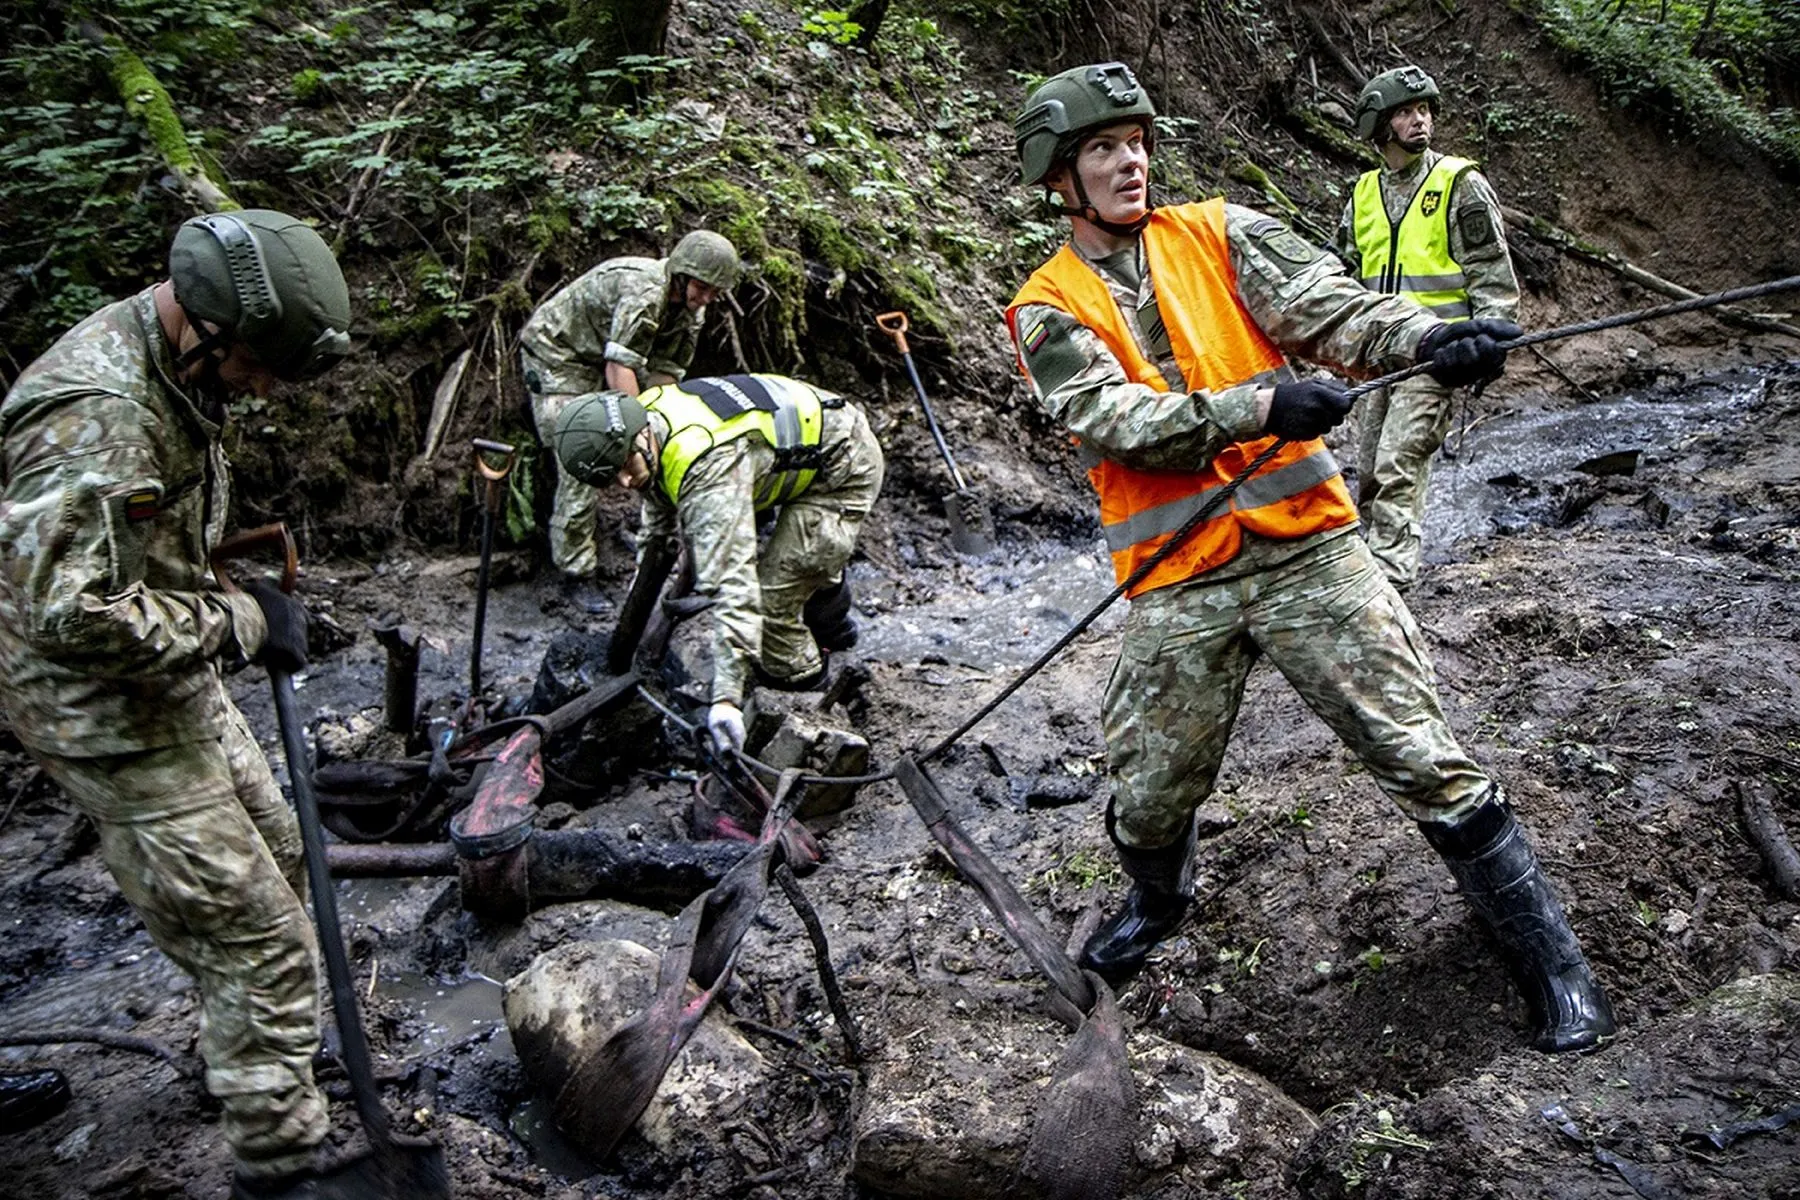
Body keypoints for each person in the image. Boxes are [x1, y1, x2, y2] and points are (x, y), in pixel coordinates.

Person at [1007, 63, 1612, 1052]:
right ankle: (1157, 905)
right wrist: (1259, 406)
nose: (1132, 162)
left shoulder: (1221, 233)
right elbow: (1114, 420)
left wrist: (1432, 336)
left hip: (1310, 557)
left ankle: (1558, 970)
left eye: (1137, 143)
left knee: (1421, 752)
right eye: (1103, 150)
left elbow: (1334, 309)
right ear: (1058, 178)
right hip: (1178, 579)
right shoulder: (1046, 306)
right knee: (1152, 787)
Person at [0, 211, 350, 1196]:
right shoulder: (98, 416)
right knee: (263, 943)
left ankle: (247, 1057)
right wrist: (236, 623)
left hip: (161, 670)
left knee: (283, 855)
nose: (262, 391)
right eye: (255, 367)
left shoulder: (170, 362)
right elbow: (71, 615)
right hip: (96, 708)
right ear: (205, 327)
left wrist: (224, 596)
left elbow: (136, 552)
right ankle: (283, 1163)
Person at [549, 374, 883, 754]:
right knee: (798, 565)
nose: (625, 482)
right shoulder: (649, 422)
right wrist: (643, 595)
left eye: (625, 465)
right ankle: (833, 631)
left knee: (773, 608)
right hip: (794, 446)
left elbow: (735, 588)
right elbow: (658, 519)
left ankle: (809, 699)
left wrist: (725, 700)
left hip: (841, 465)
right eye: (612, 477)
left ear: (641, 435)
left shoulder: (705, 462)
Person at [1335, 65, 1520, 589]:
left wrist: (1493, 342)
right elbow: (1342, 275)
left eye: (1425, 110)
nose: (1420, 121)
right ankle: (1367, 572)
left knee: (1399, 463)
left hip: (1438, 355)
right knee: (1368, 469)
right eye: (1406, 112)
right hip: (1375, 354)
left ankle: (1390, 582)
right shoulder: (1363, 194)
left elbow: (1491, 272)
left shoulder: (1460, 184)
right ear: (1378, 125)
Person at [519, 230, 741, 604]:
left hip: (608, 357)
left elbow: (665, 374)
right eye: (701, 288)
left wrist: (661, 432)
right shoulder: (643, 293)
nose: (705, 299)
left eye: (714, 293)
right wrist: (637, 434)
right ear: (682, 275)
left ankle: (639, 535)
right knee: (584, 453)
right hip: (559, 356)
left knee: (653, 440)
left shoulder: (692, 311)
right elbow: (620, 369)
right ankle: (575, 571)